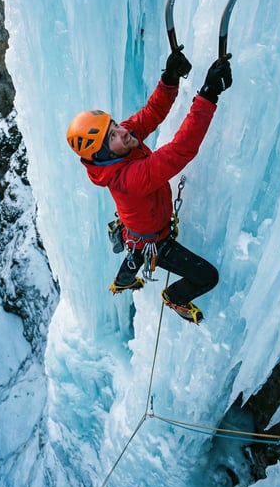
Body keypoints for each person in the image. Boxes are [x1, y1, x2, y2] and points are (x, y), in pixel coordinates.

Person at [66, 50, 232, 323]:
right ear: (105, 156)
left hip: (139, 232)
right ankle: (175, 297)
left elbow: (151, 113)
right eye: (113, 136)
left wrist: (169, 79)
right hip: (156, 240)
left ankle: (123, 279)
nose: (123, 131)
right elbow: (180, 150)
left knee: (136, 254)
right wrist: (208, 95)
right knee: (207, 276)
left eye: (115, 125)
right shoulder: (128, 180)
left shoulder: (121, 143)